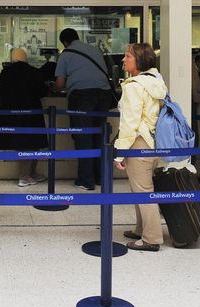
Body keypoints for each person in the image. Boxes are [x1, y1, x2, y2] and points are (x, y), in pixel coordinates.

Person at [113, 43, 167, 252]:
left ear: (140, 61)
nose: (124, 60)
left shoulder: (134, 86)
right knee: (142, 188)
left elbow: (129, 123)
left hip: (138, 142)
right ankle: (140, 229)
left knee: (144, 191)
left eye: (128, 56)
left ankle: (152, 238)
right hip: (154, 142)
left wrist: (120, 153)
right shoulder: (155, 81)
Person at [54, 28, 113, 191]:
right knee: (99, 135)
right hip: (104, 96)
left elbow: (59, 85)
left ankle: (86, 180)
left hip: (82, 97)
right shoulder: (94, 50)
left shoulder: (66, 54)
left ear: (64, 42)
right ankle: (101, 177)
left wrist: (54, 86)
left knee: (83, 136)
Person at [0, 47, 49, 187]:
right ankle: (25, 176)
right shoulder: (34, 72)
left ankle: (29, 174)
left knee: (23, 145)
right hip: (31, 115)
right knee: (33, 144)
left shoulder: (6, 73)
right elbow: (42, 92)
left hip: (12, 116)